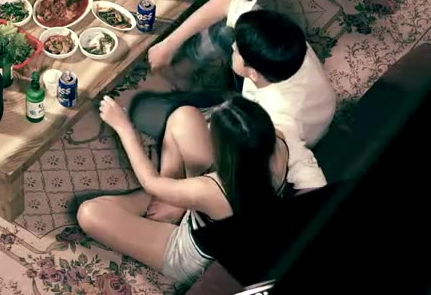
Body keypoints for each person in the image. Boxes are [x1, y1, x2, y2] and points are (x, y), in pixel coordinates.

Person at [78, 92, 317, 289]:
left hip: (194, 254)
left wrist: (123, 127)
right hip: (226, 207)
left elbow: (150, 181)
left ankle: (172, 197)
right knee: (183, 117)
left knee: (90, 213)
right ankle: (174, 198)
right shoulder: (278, 143)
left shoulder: (213, 190)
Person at [144, 0, 336, 161]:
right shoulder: (276, 38)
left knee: (146, 113)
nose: (233, 47)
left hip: (280, 137)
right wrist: (169, 44)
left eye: (236, 51)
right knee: (226, 30)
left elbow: (244, 166)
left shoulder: (277, 118)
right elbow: (223, 2)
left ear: (252, 72)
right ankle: (184, 74)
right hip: (282, 99)